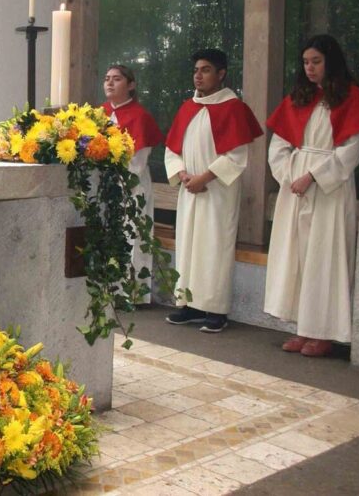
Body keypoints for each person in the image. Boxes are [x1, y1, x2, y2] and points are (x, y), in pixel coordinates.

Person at [264, 35, 359, 357]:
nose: (310, 68)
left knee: (323, 255)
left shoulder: (351, 98)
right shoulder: (298, 98)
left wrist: (313, 176)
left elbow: (351, 150)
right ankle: (303, 326)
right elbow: (278, 145)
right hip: (296, 184)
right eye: (305, 62)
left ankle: (324, 332)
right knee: (298, 256)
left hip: (330, 186)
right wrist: (290, 176)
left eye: (316, 61)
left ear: (331, 61)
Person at [163, 49, 262, 333]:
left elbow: (236, 155)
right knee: (189, 245)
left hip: (217, 191)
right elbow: (172, 149)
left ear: (221, 74)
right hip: (190, 188)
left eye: (206, 70)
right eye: (196, 70)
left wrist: (205, 177)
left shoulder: (233, 108)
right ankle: (190, 304)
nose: (198, 75)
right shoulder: (188, 107)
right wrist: (182, 174)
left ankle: (216, 310)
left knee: (214, 247)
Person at [101, 64, 164, 302]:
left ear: (131, 85)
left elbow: (137, 160)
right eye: (107, 79)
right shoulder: (99, 114)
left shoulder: (140, 116)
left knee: (132, 235)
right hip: (104, 186)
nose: (109, 83)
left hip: (131, 185)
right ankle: (107, 288)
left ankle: (131, 293)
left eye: (116, 79)